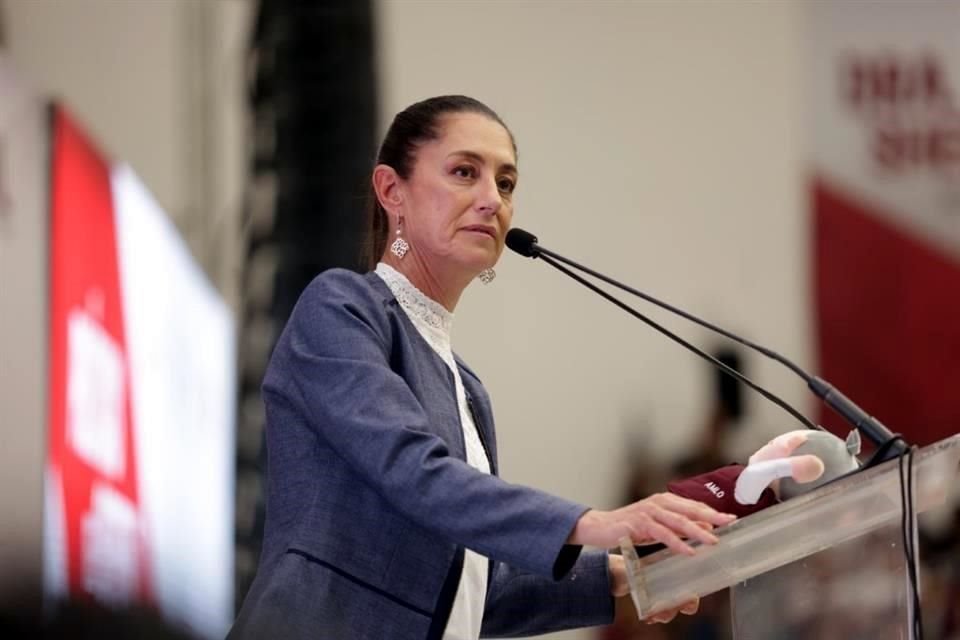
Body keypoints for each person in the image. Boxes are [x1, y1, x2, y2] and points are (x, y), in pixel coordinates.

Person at [228, 95, 737, 640]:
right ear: (391, 190)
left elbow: (466, 593)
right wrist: (595, 523)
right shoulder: (340, 310)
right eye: (465, 172)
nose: (492, 200)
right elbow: (412, 470)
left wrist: (623, 576)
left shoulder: (467, 388)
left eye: (507, 183)